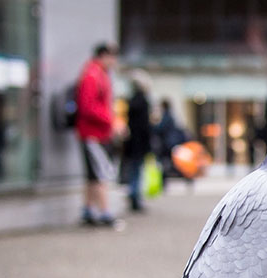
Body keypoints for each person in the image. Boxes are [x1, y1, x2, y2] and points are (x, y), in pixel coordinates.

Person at [76, 43, 123, 226]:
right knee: (100, 173)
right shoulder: (93, 75)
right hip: (93, 134)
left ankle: (88, 210)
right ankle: (104, 212)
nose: (114, 61)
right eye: (112, 57)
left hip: (93, 133)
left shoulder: (96, 74)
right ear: (104, 56)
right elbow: (88, 107)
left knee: (92, 175)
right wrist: (110, 120)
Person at [121, 70, 153, 212]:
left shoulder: (131, 101)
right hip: (140, 143)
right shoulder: (144, 102)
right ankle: (135, 196)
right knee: (137, 170)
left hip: (132, 142)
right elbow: (145, 127)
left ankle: (133, 194)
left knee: (133, 169)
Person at [154, 99, 186, 186]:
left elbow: (160, 129)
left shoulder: (166, 116)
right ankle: (185, 177)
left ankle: (164, 181)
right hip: (170, 142)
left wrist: (153, 126)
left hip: (167, 143)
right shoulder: (172, 116)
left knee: (166, 162)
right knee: (170, 162)